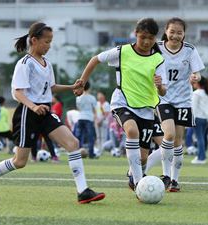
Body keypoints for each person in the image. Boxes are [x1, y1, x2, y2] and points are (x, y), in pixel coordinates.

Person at [0, 22, 105, 203]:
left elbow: (50, 87)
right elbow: (18, 92)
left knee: (73, 143)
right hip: (28, 114)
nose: (49, 45)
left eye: (51, 41)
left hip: (45, 112)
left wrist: (71, 87)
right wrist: (34, 106)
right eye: (46, 41)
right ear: (34, 40)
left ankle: (83, 190)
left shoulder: (47, 63)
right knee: (20, 161)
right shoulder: (24, 63)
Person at [74, 18, 167, 191]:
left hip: (146, 109)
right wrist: (82, 82)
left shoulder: (158, 59)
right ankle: (139, 183)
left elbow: (163, 92)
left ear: (155, 38)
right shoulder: (122, 51)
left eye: (151, 38)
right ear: (136, 34)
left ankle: (134, 174)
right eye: (143, 37)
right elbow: (95, 59)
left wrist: (160, 85)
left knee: (143, 157)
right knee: (132, 131)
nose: (147, 42)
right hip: (122, 102)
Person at [155, 17, 205, 191]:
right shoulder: (157, 48)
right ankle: (166, 176)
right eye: (172, 31)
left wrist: (195, 77)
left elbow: (197, 74)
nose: (175, 35)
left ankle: (175, 180)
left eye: (179, 32)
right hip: (163, 98)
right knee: (168, 135)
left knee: (178, 141)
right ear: (166, 31)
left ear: (184, 34)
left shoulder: (190, 50)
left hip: (183, 100)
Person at [191, 76, 208, 164]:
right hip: (206, 119)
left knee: (199, 138)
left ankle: (201, 158)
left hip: (198, 118)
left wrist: (192, 119)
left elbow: (194, 108)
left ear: (198, 83)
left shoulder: (196, 93)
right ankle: (201, 156)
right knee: (202, 138)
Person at [75, 81, 97, 158]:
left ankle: (76, 152)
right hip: (89, 118)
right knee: (90, 137)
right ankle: (91, 154)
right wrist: (95, 120)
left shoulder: (78, 98)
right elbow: (94, 110)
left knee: (79, 136)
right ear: (89, 88)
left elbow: (78, 109)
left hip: (80, 117)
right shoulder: (92, 98)